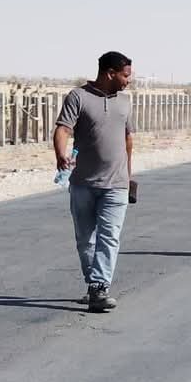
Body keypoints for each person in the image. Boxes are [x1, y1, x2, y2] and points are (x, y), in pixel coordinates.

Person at [53, 51, 136, 312]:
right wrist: (60, 154)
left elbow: (128, 139)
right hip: (83, 183)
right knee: (85, 240)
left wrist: (128, 175)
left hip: (116, 184)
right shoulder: (78, 97)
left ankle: (99, 288)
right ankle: (94, 285)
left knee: (109, 237)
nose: (128, 81)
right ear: (110, 73)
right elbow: (63, 129)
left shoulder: (125, 102)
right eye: (125, 75)